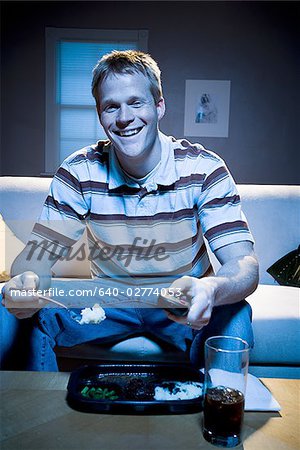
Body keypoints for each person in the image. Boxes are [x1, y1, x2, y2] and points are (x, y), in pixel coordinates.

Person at [1, 50, 259, 371]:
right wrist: (25, 282)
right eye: (111, 106)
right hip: (108, 298)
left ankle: (212, 418)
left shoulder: (204, 168)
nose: (124, 117)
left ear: (159, 105)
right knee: (7, 311)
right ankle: (36, 418)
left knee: (234, 311)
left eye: (136, 102)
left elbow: (242, 265)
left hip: (180, 296)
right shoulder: (80, 171)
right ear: (100, 114)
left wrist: (210, 288)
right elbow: (34, 261)